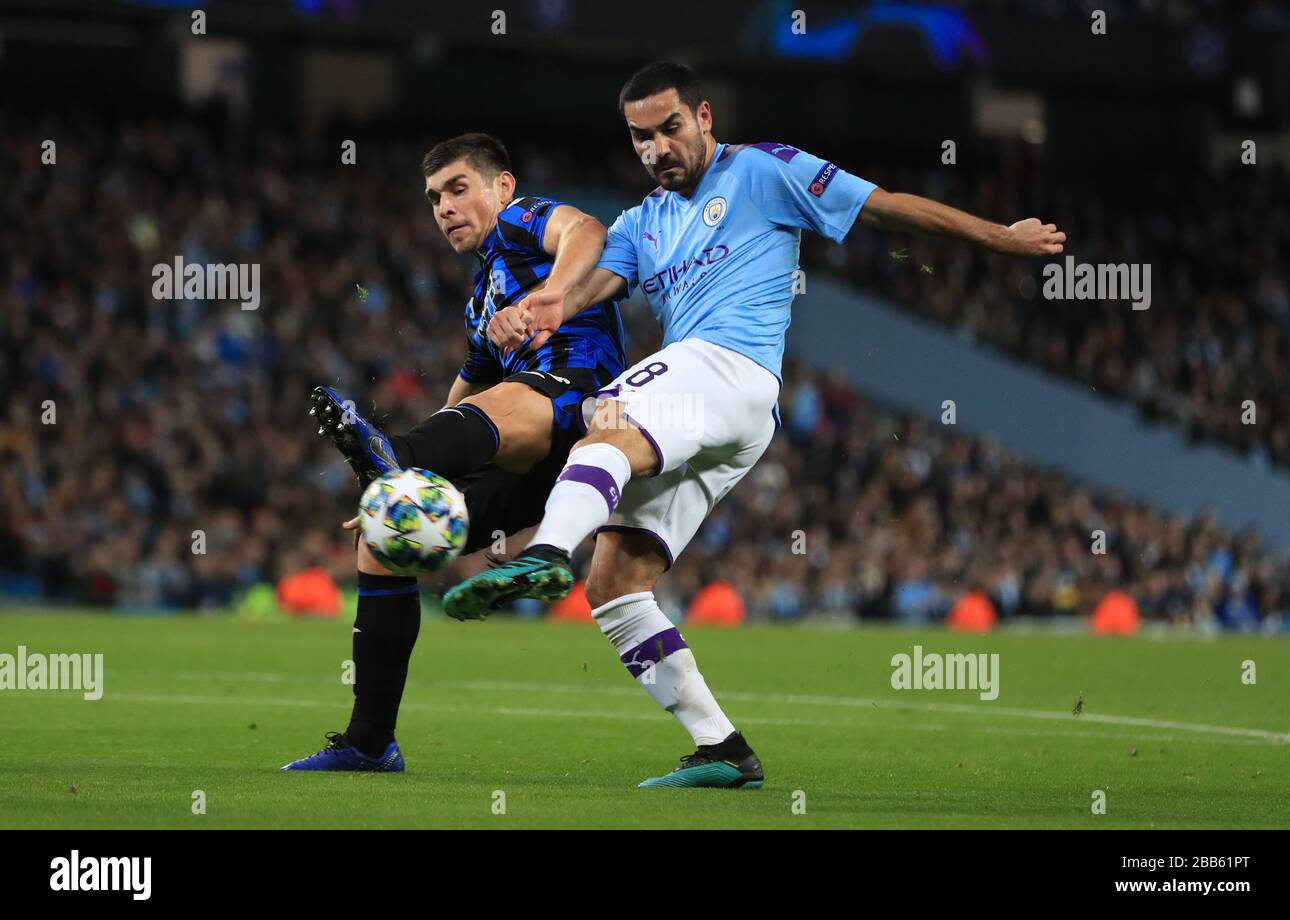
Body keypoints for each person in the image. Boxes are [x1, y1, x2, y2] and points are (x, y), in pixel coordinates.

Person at [442, 62, 1065, 789]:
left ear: (703, 117)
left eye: (669, 128)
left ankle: (545, 551)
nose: (656, 147)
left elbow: (885, 206)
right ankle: (723, 750)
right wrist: (544, 305)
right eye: (640, 137)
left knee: (602, 429)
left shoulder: (766, 170)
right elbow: (582, 284)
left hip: (727, 364)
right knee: (614, 583)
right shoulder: (643, 222)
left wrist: (999, 237)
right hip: (732, 417)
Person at [282, 133, 627, 771]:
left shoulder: (525, 223)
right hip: (531, 464)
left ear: (501, 186)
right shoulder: (478, 305)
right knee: (383, 543)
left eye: (458, 188)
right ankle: (370, 742)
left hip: (586, 414)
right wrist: (403, 490)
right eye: (434, 197)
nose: (443, 207)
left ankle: (394, 451)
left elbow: (588, 231)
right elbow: (461, 399)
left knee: (513, 398)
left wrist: (547, 295)